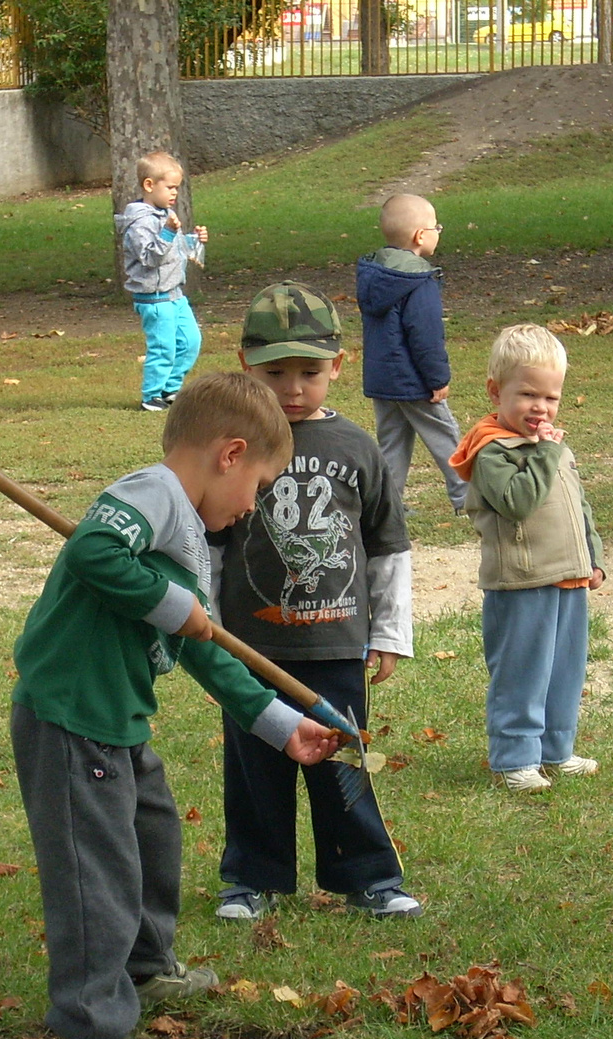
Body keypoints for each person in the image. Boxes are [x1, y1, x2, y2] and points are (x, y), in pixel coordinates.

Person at [10, 372, 340, 1039]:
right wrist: (169, 604)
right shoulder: (153, 493)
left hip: (114, 718)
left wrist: (281, 725)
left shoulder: (187, 532)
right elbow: (94, 554)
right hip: (71, 716)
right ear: (229, 453)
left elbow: (201, 646)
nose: (252, 505)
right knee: (98, 876)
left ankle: (145, 969)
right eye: (256, 484)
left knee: (152, 834)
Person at [211, 282, 420, 921]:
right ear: (246, 365)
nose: (293, 388)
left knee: (343, 764)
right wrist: (214, 631)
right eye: (276, 373)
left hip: (335, 645)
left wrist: (388, 632)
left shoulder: (358, 448)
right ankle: (253, 876)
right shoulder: (231, 448)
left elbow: (387, 545)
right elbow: (211, 544)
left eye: (309, 372)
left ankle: (368, 876)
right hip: (251, 647)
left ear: (339, 365)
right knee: (255, 768)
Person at [449, 324, 603, 794]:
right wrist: (545, 452)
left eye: (551, 398)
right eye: (528, 394)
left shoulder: (552, 445)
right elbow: (518, 501)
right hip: (521, 581)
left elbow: (579, 506)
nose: (541, 407)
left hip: (566, 577)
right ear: (497, 391)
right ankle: (515, 756)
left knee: (564, 668)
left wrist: (592, 555)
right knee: (523, 670)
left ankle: (555, 749)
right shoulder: (493, 449)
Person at [357, 192, 470, 514]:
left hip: (383, 380)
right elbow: (425, 336)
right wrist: (438, 378)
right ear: (421, 235)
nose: (438, 233)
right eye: (437, 228)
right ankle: (467, 498)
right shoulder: (419, 280)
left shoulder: (374, 274)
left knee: (393, 441)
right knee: (445, 436)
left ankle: (386, 507)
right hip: (413, 381)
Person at [114, 151, 208, 412]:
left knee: (191, 341)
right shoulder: (140, 222)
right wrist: (168, 231)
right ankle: (151, 395)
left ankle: (170, 389)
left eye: (177, 187)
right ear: (149, 185)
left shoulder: (164, 213)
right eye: (170, 187)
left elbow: (173, 252)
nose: (174, 193)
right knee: (162, 346)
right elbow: (149, 257)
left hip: (175, 294)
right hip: (154, 298)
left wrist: (193, 241)